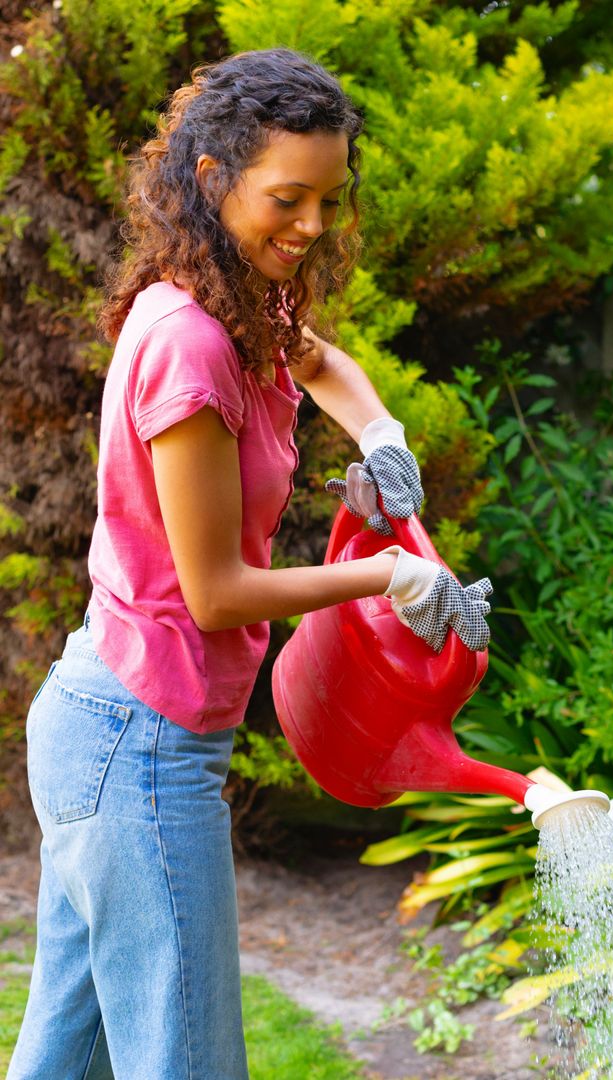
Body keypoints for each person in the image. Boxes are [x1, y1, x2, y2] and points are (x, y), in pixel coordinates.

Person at [9, 48, 492, 1079]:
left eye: (326, 198)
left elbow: (324, 364)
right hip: (138, 747)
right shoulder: (190, 346)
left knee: (64, 1057)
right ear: (215, 177)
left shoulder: (236, 305)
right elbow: (217, 593)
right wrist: (392, 577)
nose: (312, 225)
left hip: (112, 723)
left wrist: (383, 434)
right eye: (289, 198)